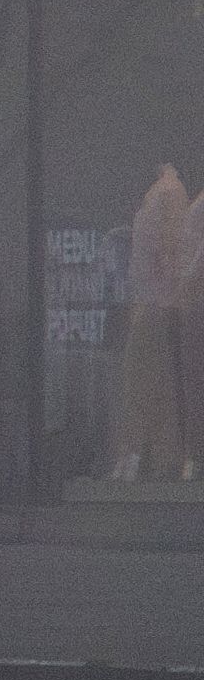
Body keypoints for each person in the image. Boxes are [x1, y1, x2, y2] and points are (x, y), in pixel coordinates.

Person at [126, 166, 204, 484]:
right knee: (171, 389)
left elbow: (181, 257)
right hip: (172, 308)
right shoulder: (177, 198)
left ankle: (168, 458)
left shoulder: (171, 197)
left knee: (169, 389)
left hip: (169, 307)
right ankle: (170, 458)